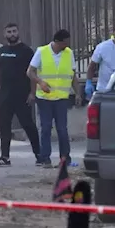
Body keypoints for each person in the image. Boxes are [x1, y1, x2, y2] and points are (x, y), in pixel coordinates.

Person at [0, 23, 42, 167]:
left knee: (28, 125)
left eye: (14, 31)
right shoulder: (2, 51)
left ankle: (39, 155)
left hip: (22, 95)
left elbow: (33, 73)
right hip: (4, 95)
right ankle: (4, 157)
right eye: (9, 32)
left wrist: (33, 92)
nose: (12, 34)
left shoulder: (26, 51)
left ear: (18, 33)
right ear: (5, 34)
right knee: (4, 127)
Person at [28, 29, 75, 167]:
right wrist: (40, 82)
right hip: (44, 98)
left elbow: (73, 75)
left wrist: (78, 93)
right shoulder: (41, 51)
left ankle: (65, 158)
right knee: (46, 128)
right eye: (66, 42)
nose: (67, 45)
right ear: (58, 42)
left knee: (62, 129)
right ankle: (45, 158)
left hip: (61, 98)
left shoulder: (69, 53)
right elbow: (30, 72)